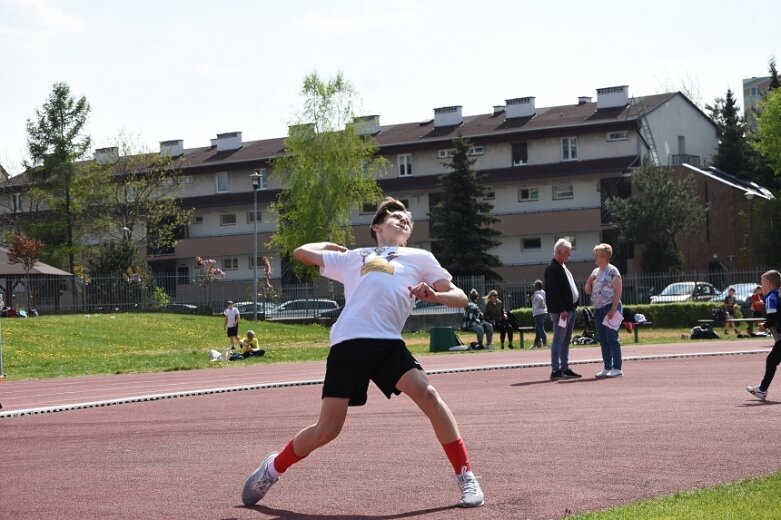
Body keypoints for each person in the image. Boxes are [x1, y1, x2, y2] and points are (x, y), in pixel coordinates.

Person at [241, 197, 484, 508]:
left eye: (407, 220)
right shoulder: (355, 257)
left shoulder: (419, 256)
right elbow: (302, 253)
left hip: (387, 343)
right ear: (377, 227)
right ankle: (273, 468)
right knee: (327, 430)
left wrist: (434, 294)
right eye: (396, 216)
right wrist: (332, 247)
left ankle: (466, 476)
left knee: (429, 395)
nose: (403, 220)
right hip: (349, 342)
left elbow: (460, 297)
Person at [544, 238, 582, 380]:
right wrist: (562, 310)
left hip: (569, 310)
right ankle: (556, 370)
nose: (569, 255)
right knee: (559, 340)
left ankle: (565, 368)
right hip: (562, 312)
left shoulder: (562, 267)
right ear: (559, 252)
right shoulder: (552, 269)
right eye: (567, 252)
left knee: (566, 340)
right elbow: (553, 292)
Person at [584, 243, 623, 378]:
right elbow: (587, 291)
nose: (595, 257)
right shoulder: (595, 272)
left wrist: (613, 309)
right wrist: (589, 282)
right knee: (603, 339)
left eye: (597, 255)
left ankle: (617, 367)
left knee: (612, 338)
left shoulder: (613, 271)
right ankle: (607, 367)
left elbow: (618, 291)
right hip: (598, 309)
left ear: (604, 256)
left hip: (610, 307)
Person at [746, 270, 781, 401]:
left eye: (762, 283)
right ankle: (762, 389)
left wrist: (764, 325)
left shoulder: (771, 298)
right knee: (772, 360)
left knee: (771, 361)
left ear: (767, 283)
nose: (761, 287)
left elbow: (772, 318)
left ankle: (762, 390)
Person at [531, 280, 548, 349]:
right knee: (538, 330)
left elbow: (540, 299)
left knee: (541, 329)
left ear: (536, 286)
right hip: (544, 312)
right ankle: (535, 345)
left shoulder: (537, 293)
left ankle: (544, 344)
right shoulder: (544, 293)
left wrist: (542, 304)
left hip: (538, 313)